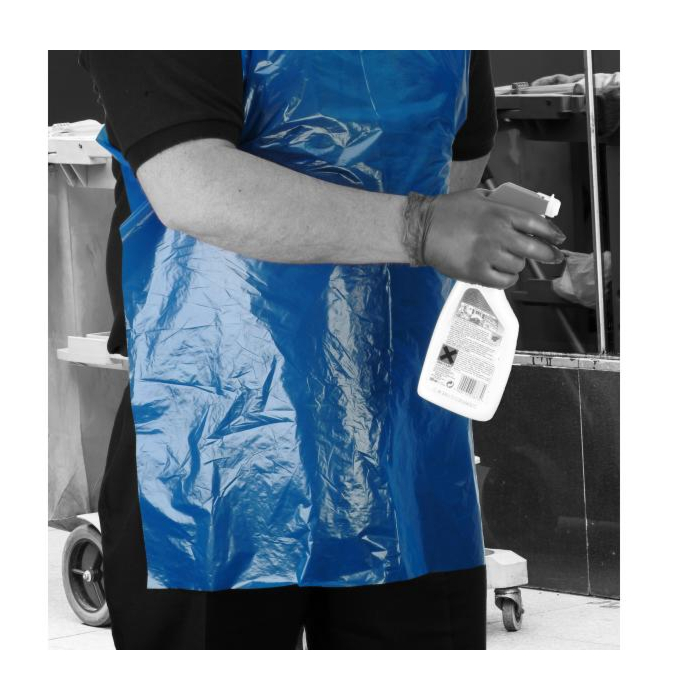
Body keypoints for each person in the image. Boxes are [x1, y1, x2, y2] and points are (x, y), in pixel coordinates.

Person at [81, 50, 565, 650]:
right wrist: (420, 227)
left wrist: (471, 228)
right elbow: (191, 182)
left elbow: (457, 171)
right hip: (215, 439)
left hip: (393, 428)